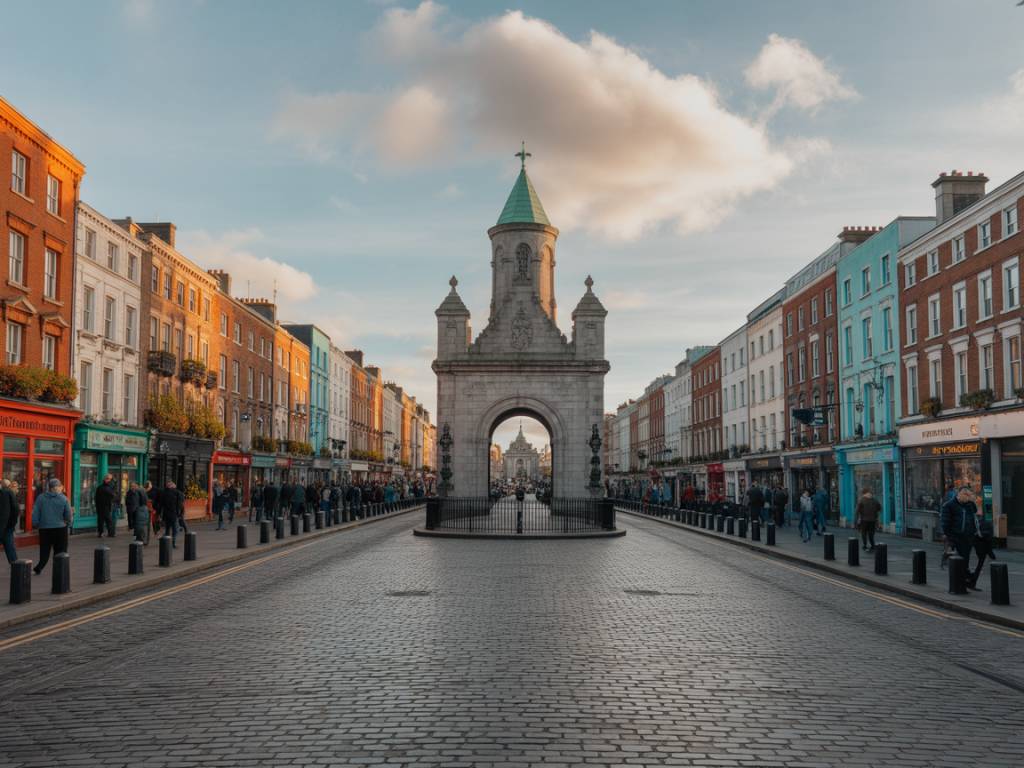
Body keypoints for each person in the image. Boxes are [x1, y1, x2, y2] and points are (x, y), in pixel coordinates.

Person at [32, 478, 72, 575]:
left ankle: (40, 566)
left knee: (44, 550)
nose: (61, 488)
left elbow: (35, 512)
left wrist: (36, 523)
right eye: (60, 486)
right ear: (56, 487)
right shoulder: (63, 498)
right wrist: (69, 523)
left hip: (44, 529)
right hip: (60, 528)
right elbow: (68, 514)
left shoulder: (41, 498)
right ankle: (59, 570)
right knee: (60, 550)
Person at [940, 487, 978, 577]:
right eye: (966, 495)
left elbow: (974, 513)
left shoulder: (969, 504)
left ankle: (964, 575)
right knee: (960, 558)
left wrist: (972, 502)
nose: (967, 497)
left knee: (966, 557)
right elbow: (945, 523)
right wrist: (950, 536)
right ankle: (962, 578)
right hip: (956, 536)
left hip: (968, 536)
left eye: (969, 495)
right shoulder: (949, 505)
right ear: (959, 494)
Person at [969, 506, 996, 591]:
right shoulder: (986, 523)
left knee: (979, 565)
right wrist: (990, 552)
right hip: (982, 547)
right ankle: (972, 581)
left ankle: (972, 580)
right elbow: (988, 539)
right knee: (980, 565)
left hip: (977, 545)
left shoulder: (978, 521)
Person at [158, 480, 185, 547]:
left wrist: (159, 514)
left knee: (167, 528)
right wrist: (180, 513)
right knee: (175, 529)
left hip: (166, 514)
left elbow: (160, 504)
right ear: (173, 486)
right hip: (174, 514)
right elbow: (180, 504)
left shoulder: (163, 493)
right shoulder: (177, 492)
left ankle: (167, 542)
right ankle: (173, 542)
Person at [94, 474, 118, 538]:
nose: (110, 480)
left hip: (102, 506)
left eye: (110, 479)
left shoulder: (101, 487)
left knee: (102, 520)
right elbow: (113, 495)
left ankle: (101, 533)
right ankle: (110, 533)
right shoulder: (107, 488)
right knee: (108, 520)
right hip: (105, 506)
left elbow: (96, 498)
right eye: (109, 479)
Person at [0, 478, 18, 564]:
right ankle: (17, 568)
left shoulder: (6, 493)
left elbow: (15, 509)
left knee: (10, 547)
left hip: (6, 525)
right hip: (7, 525)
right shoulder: (9, 493)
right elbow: (15, 509)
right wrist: (12, 523)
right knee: (10, 549)